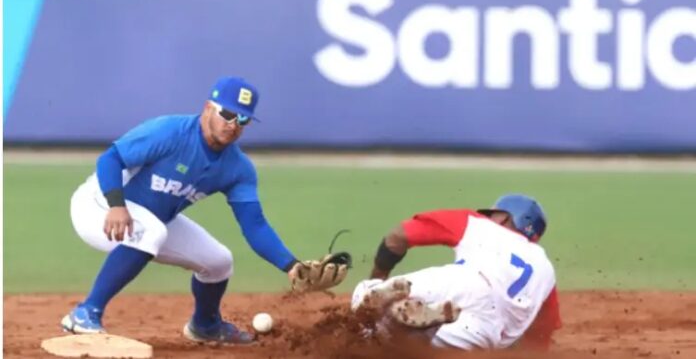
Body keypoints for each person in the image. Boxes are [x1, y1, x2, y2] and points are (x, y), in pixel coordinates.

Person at [61, 76, 348, 344]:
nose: (233, 123)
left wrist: (291, 265)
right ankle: (85, 313)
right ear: (208, 108)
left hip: (150, 220)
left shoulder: (238, 168)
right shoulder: (170, 132)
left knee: (219, 261)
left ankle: (205, 325)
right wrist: (116, 205)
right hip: (98, 205)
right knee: (151, 231)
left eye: (243, 118)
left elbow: (255, 224)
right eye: (227, 113)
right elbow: (110, 159)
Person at [351, 194, 561, 351]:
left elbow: (398, 236)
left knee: (365, 298)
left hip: (463, 282)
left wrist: (379, 274)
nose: (487, 216)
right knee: (416, 349)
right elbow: (539, 339)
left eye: (493, 213)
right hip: (487, 329)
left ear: (505, 219)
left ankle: (383, 296)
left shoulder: (478, 224)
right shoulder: (545, 269)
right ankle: (425, 328)